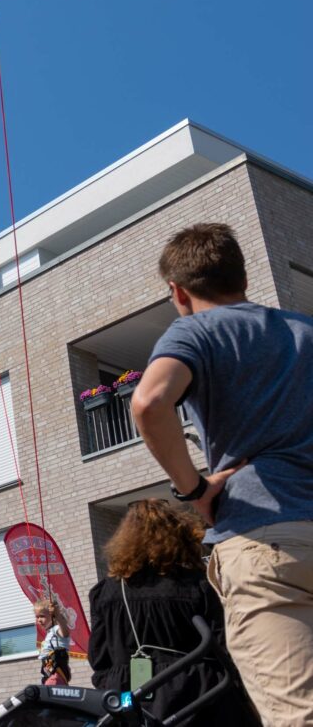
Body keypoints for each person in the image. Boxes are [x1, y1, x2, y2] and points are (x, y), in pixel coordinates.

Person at [132, 222, 313, 723]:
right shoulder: (304, 330)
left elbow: (148, 403)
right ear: (244, 278)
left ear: (178, 292)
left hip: (265, 543)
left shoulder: (194, 330)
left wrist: (193, 489)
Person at [88, 499, 259, 726]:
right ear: (179, 538)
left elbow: (99, 658)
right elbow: (224, 645)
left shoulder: (105, 592)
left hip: (130, 699)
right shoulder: (196, 584)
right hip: (197, 696)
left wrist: (114, 687)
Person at [34, 599, 72, 686]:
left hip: (57, 673)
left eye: (42, 616)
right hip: (49, 672)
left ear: (52, 616)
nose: (39, 620)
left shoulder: (57, 629)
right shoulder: (49, 633)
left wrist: (57, 614)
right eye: (37, 617)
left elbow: (65, 632)